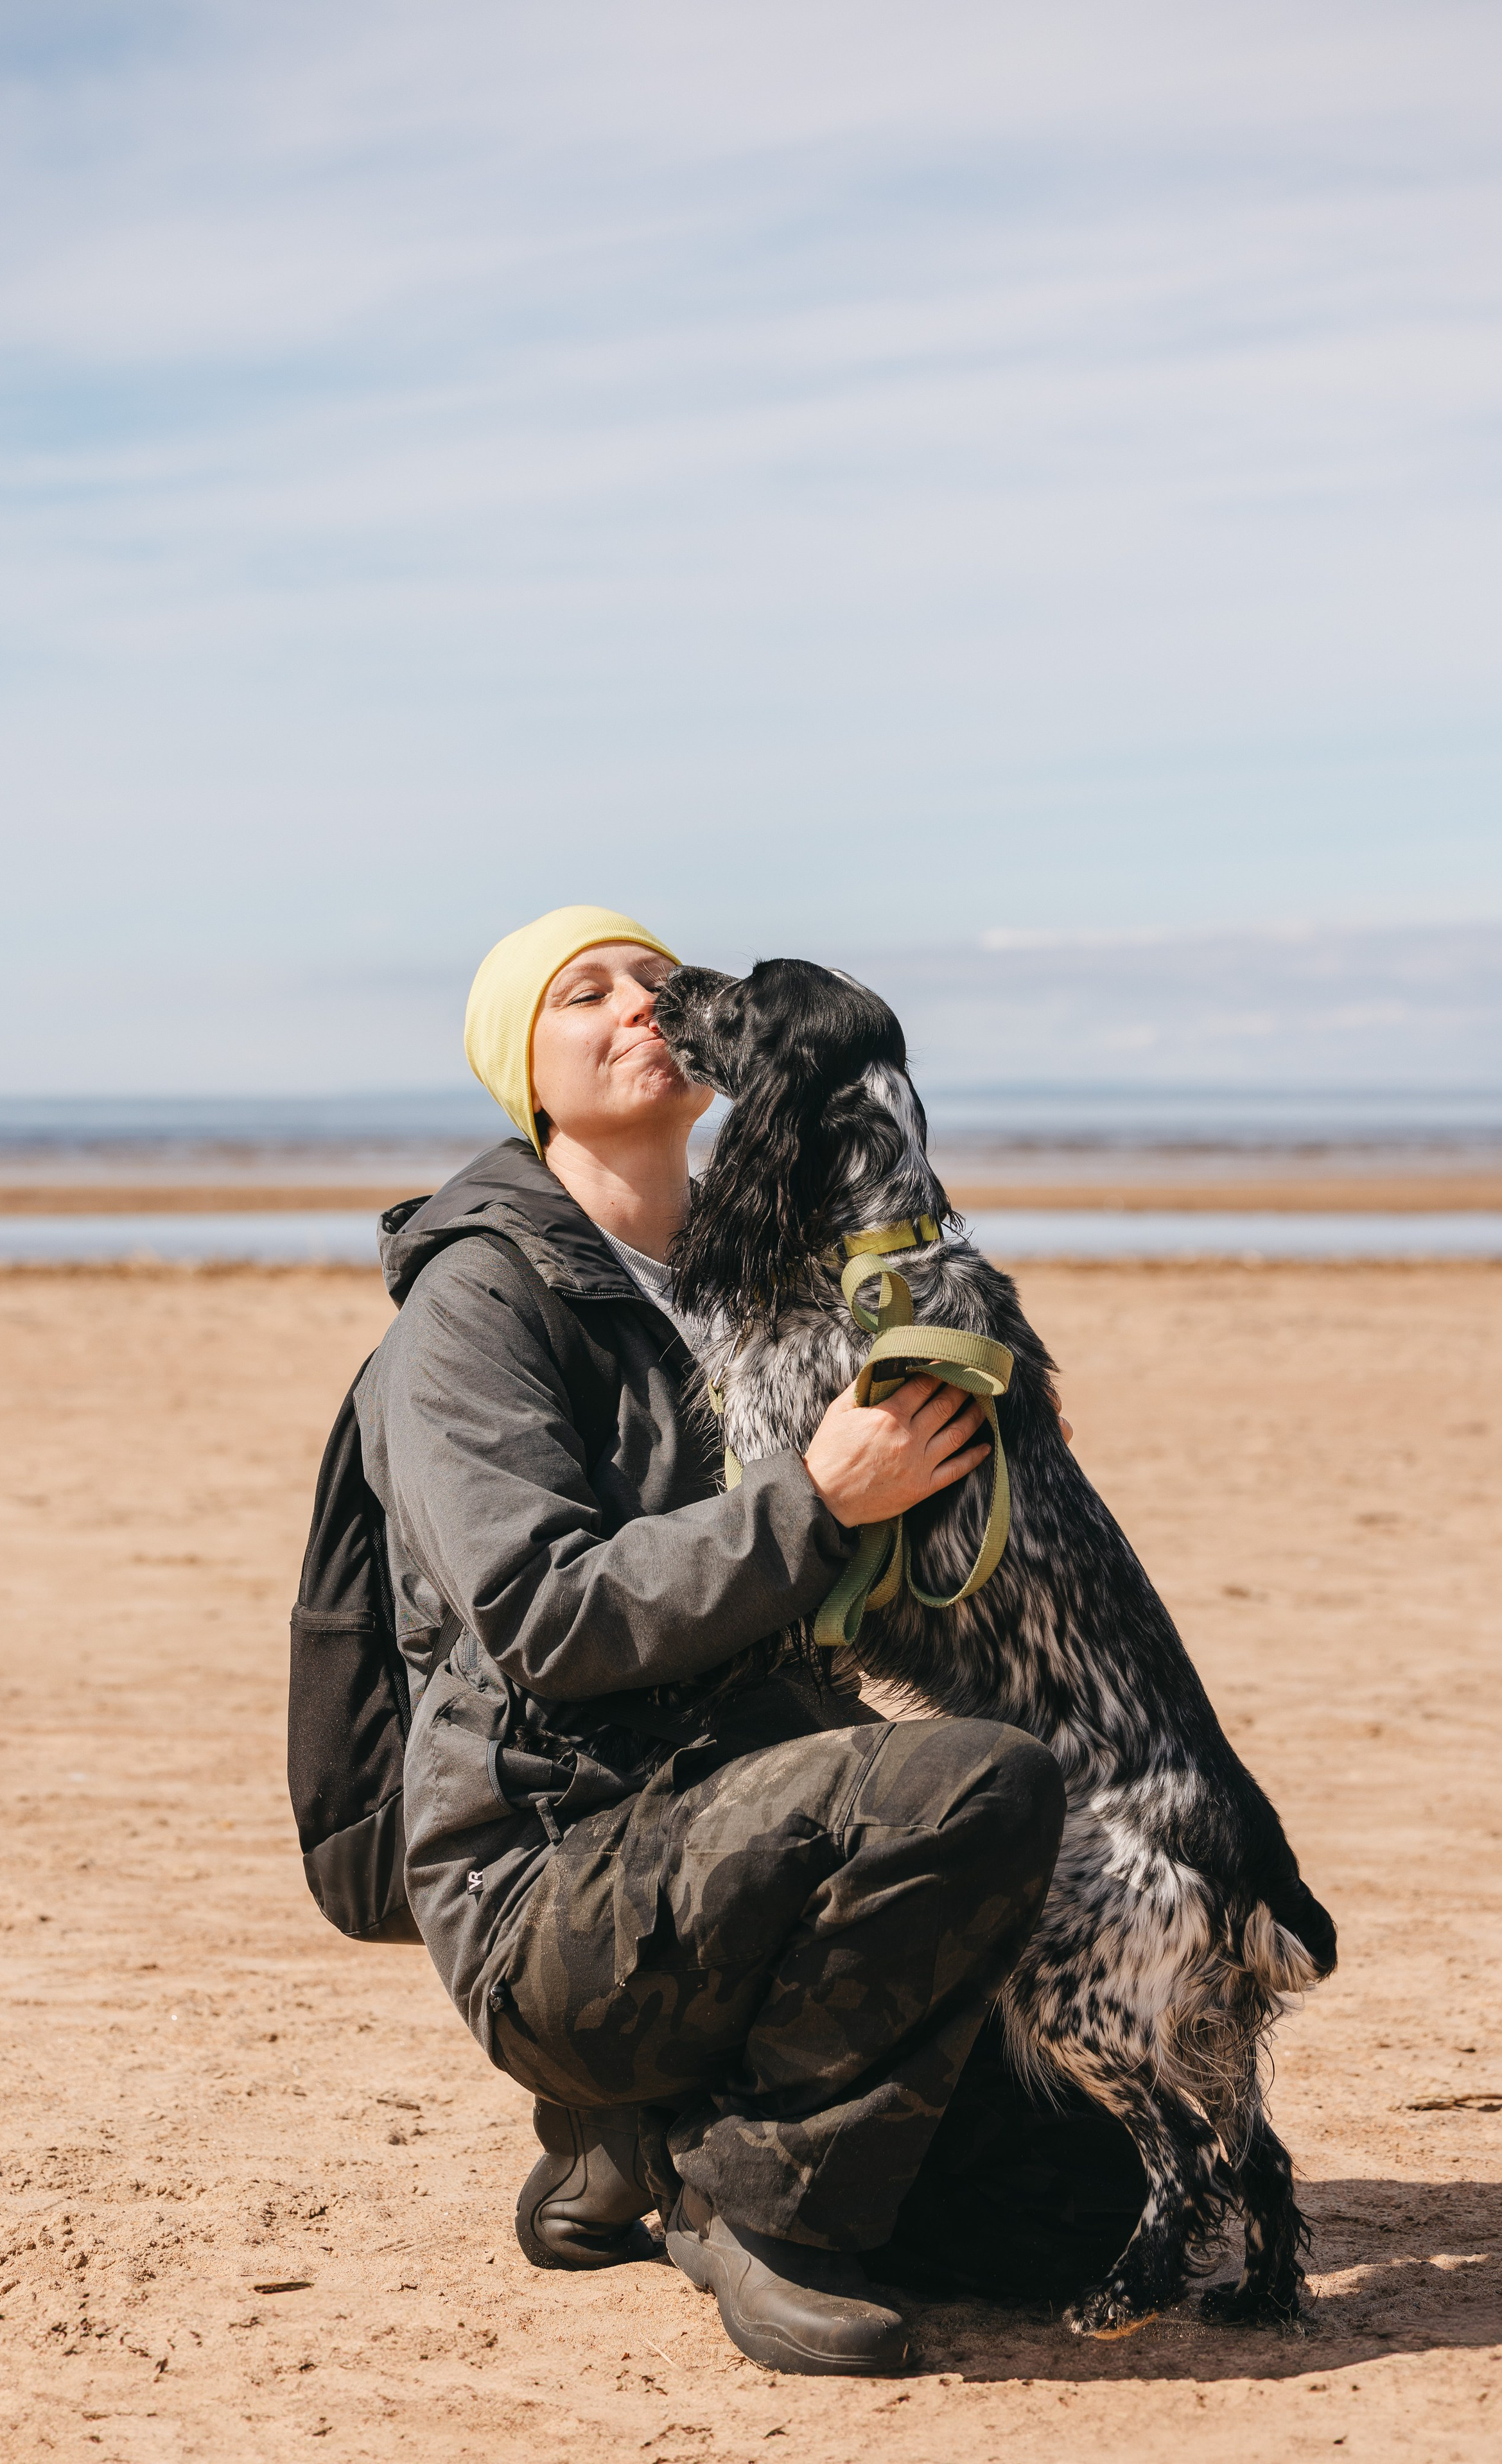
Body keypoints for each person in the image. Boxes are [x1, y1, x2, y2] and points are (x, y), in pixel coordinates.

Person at [354, 905, 1141, 2378]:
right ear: (523, 1075)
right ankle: (755, 2206)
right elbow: (541, 1613)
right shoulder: (475, 1303)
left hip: (761, 1836)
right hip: (556, 1877)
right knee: (979, 1782)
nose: (639, 1002)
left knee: (1084, 2215)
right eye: (583, 992)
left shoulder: (762, 1275)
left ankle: (630, 2141)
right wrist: (815, 1499)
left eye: (654, 977)